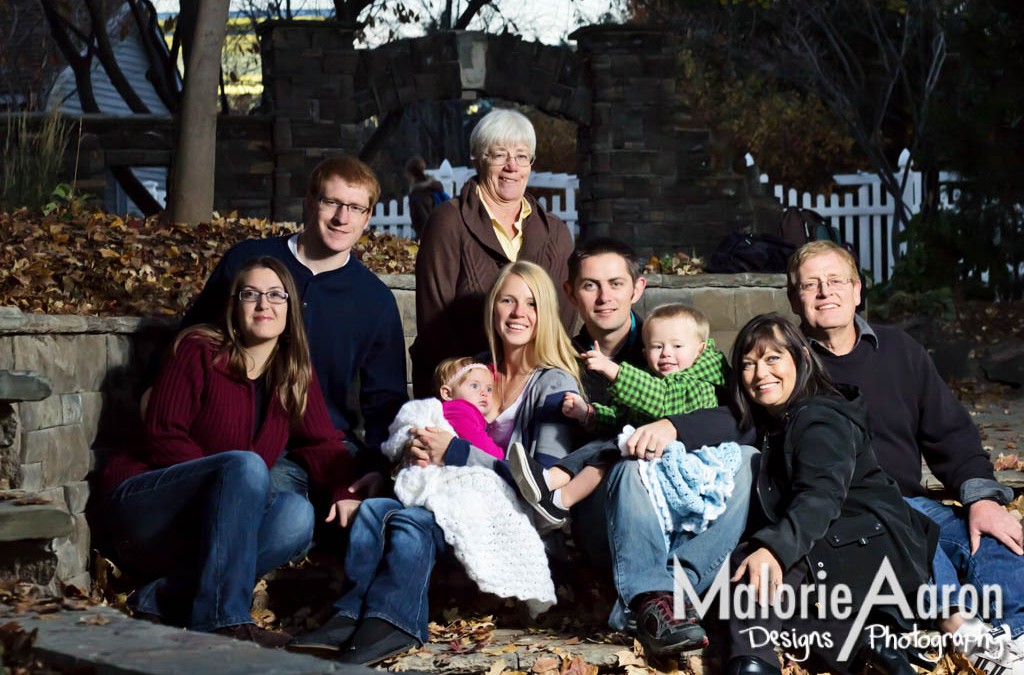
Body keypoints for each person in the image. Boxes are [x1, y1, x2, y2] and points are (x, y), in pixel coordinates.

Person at [287, 260, 582, 664]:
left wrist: (456, 452)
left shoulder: (555, 384)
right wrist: (404, 457)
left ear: (545, 313)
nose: (518, 313)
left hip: (507, 512)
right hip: (445, 492)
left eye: (530, 304)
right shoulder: (474, 369)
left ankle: (397, 621)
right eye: (507, 300)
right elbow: (431, 425)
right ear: (492, 307)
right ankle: (350, 611)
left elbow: (541, 480)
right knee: (375, 511)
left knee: (413, 523)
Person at [788, 240, 1024, 672]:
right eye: (811, 285)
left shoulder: (899, 350)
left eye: (836, 280)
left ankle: (1015, 639)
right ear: (795, 298)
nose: (826, 292)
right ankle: (968, 634)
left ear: (858, 291)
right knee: (906, 534)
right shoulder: (787, 365)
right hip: (843, 517)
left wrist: (982, 498)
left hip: (912, 504)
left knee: (996, 538)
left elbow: (951, 434)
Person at [100, 258, 361, 648]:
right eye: (250, 295)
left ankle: (164, 595)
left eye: (276, 295)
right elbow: (162, 434)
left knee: (296, 516)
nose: (264, 305)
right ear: (234, 307)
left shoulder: (292, 374)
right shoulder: (198, 349)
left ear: (290, 310)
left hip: (205, 528)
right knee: (246, 467)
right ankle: (222, 621)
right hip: (144, 507)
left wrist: (345, 491)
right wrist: (228, 489)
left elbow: (322, 441)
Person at [562, 237, 758, 658]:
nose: (604, 297)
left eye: (615, 283)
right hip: (612, 517)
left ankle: (668, 599)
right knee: (631, 460)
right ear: (571, 292)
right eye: (590, 285)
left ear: (638, 288)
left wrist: (672, 426)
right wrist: (589, 418)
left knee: (747, 459)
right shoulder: (563, 356)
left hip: (687, 502)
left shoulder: (679, 337)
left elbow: (733, 418)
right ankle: (653, 597)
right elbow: (613, 424)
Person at [725, 313, 936, 675]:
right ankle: (866, 644)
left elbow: (821, 496)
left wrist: (773, 550)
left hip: (867, 542)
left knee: (754, 567)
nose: (761, 374)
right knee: (758, 598)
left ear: (802, 358)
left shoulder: (820, 419)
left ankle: (752, 664)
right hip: (844, 541)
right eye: (749, 364)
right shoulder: (779, 419)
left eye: (773, 358)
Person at [181, 155, 407, 485]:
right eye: (331, 202)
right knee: (286, 510)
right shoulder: (248, 262)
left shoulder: (375, 302)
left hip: (326, 442)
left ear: (368, 217)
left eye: (356, 208)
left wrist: (375, 466)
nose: (342, 218)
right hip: (240, 434)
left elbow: (385, 402)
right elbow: (193, 337)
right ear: (310, 202)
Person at [508, 303, 730, 525]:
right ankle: (550, 484)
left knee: (613, 448)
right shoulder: (651, 379)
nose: (666, 354)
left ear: (699, 350)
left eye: (677, 346)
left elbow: (663, 400)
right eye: (657, 347)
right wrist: (589, 413)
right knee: (604, 442)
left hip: (688, 456)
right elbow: (622, 418)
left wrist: (613, 370)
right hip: (647, 449)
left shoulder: (701, 382)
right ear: (645, 352)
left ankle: (559, 495)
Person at [409, 108, 575, 397]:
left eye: (522, 156)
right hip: (461, 393)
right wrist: (482, 389)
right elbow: (435, 323)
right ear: (477, 158)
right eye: (499, 155)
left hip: (534, 389)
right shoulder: (448, 221)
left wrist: (527, 387)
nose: (512, 166)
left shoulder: (556, 233)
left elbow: (563, 320)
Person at [404, 156, 447, 239]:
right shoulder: (434, 187)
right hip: (442, 232)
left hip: (429, 239)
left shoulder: (417, 195)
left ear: (411, 174)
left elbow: (423, 221)